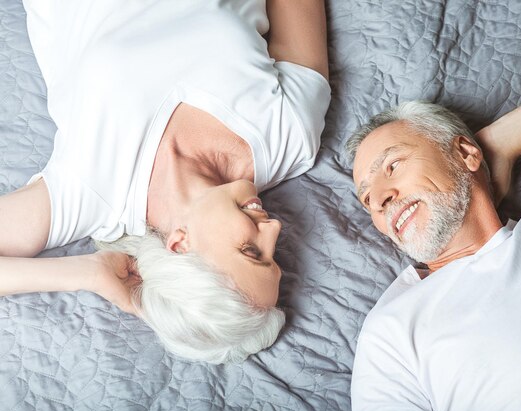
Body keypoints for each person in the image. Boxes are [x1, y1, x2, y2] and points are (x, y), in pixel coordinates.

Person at [0, 0, 330, 364]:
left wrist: (87, 273)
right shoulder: (291, 136)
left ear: (179, 246)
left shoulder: (92, 194)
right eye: (274, 254)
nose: (274, 228)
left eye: (251, 251)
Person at [347, 61, 521, 411]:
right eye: (367, 198)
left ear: (464, 153)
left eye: (392, 166)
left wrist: (498, 144)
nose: (381, 200)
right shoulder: (390, 331)